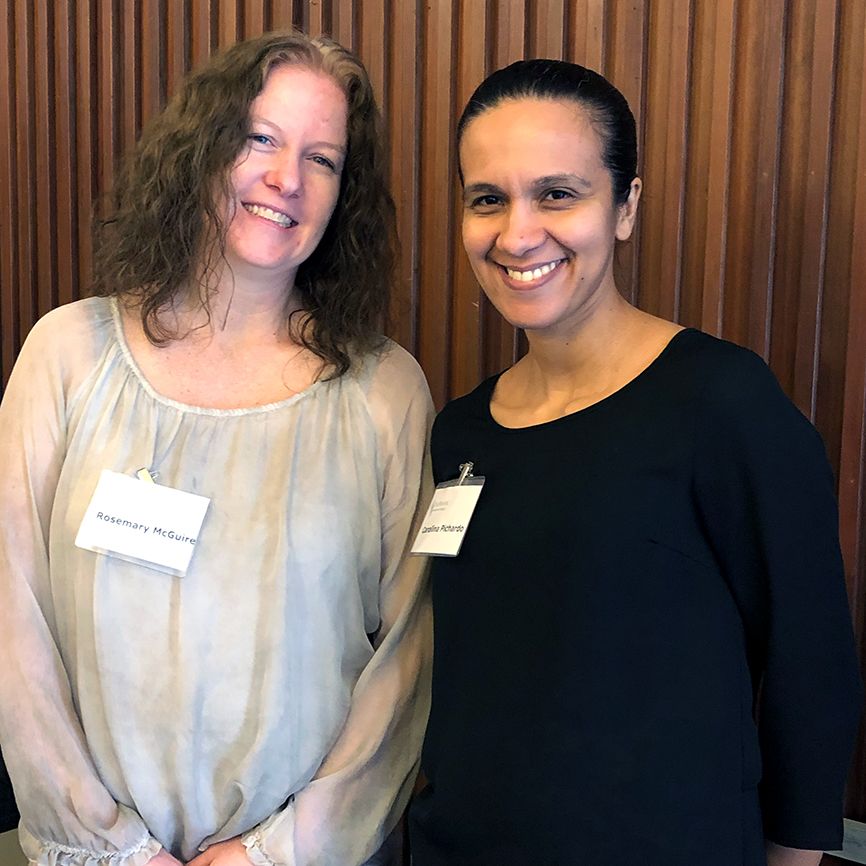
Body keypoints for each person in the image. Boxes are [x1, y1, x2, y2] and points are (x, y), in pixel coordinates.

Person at [408, 59, 862, 866]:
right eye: (488, 199)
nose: (517, 233)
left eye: (558, 193)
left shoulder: (720, 403)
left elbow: (810, 660)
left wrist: (793, 857)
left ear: (625, 207)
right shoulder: (461, 432)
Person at [0, 30, 433, 866]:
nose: (286, 179)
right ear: (202, 149)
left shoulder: (384, 392)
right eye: (259, 138)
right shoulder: (68, 357)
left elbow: (407, 661)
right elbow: (12, 624)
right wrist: (114, 848)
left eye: (324, 159)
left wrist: (276, 853)